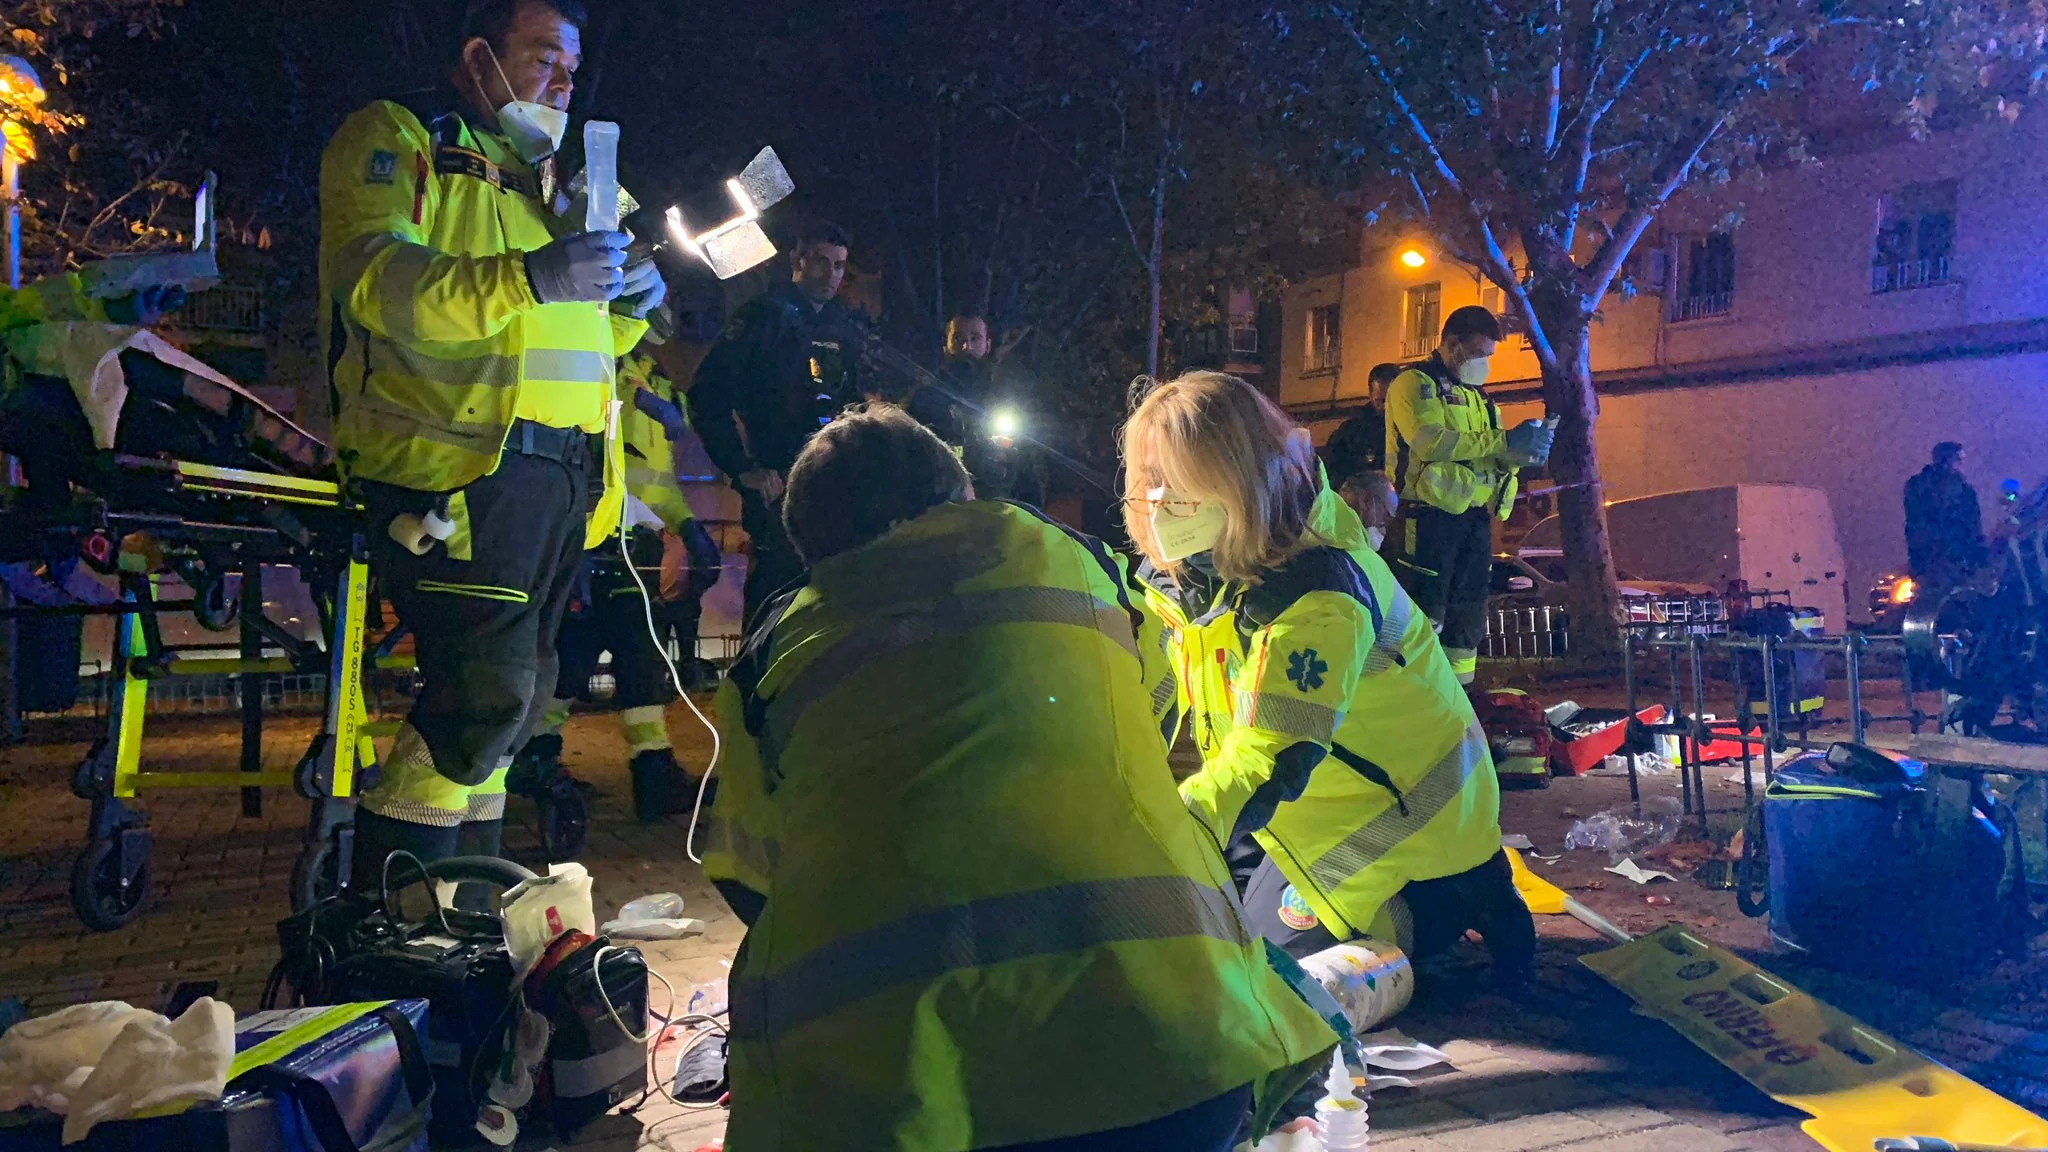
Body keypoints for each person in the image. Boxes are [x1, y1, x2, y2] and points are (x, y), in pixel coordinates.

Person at [700, 403, 1335, 1152]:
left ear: (816, 551)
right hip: (1188, 1065)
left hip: (912, 1108)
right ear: (962, 495)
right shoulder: (1084, 568)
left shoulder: (773, 653)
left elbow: (744, 874)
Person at [318, 0, 664, 885]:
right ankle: (390, 920)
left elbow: (584, 339)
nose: (561, 81)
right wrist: (532, 273)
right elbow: (376, 280)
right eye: (543, 56)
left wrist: (627, 303)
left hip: (562, 477)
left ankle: (459, 919)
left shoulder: (555, 179)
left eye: (572, 67)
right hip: (459, 468)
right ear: (480, 58)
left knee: (517, 705)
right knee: (487, 696)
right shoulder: (401, 137)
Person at [1124, 371, 1534, 988]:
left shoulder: (1317, 588)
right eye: (1149, 480)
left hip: (1408, 821)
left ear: (1237, 480)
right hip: (1306, 812)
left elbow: (1271, 754)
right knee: (1209, 928)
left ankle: (1457, 903)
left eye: (1177, 483)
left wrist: (1151, 842)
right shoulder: (1196, 581)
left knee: (1267, 973)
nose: (1158, 501)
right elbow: (1146, 710)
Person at [511, 336, 722, 823]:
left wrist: (688, 526)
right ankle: (652, 771)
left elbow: (656, 476)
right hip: (604, 530)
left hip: (632, 533)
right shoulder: (612, 354)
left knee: (578, 649)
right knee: (635, 649)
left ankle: (537, 755)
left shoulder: (658, 373)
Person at [686, 220, 862, 628]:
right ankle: (757, 687)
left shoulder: (843, 330)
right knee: (777, 598)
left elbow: (852, 404)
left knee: (830, 597)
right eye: (821, 261)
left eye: (839, 265)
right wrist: (742, 467)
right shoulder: (762, 318)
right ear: (796, 261)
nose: (831, 275)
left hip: (834, 485)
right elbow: (707, 395)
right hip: (779, 484)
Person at [1383, 307, 1552, 686]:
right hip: (1427, 518)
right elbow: (1430, 442)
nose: (1484, 363)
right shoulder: (1415, 383)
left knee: (1468, 616)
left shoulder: (1481, 399)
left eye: (1489, 356)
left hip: (1473, 520)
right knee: (1423, 610)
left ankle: (1462, 699)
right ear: (1453, 344)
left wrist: (1521, 454)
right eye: (1479, 354)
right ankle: (1410, 694)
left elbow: (1486, 456)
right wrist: (1505, 442)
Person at [1904, 441, 1986, 595]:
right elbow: (1973, 527)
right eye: (1958, 459)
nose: (1961, 464)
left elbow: (1973, 526)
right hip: (1945, 561)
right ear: (1947, 460)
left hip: (1940, 560)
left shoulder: (1917, 486)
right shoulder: (1960, 490)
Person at [1318, 362, 1402, 489]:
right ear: (1371, 395)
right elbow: (1333, 469)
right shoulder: (1352, 432)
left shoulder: (1412, 426)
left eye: (1392, 400)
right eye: (1381, 400)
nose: (1386, 407)